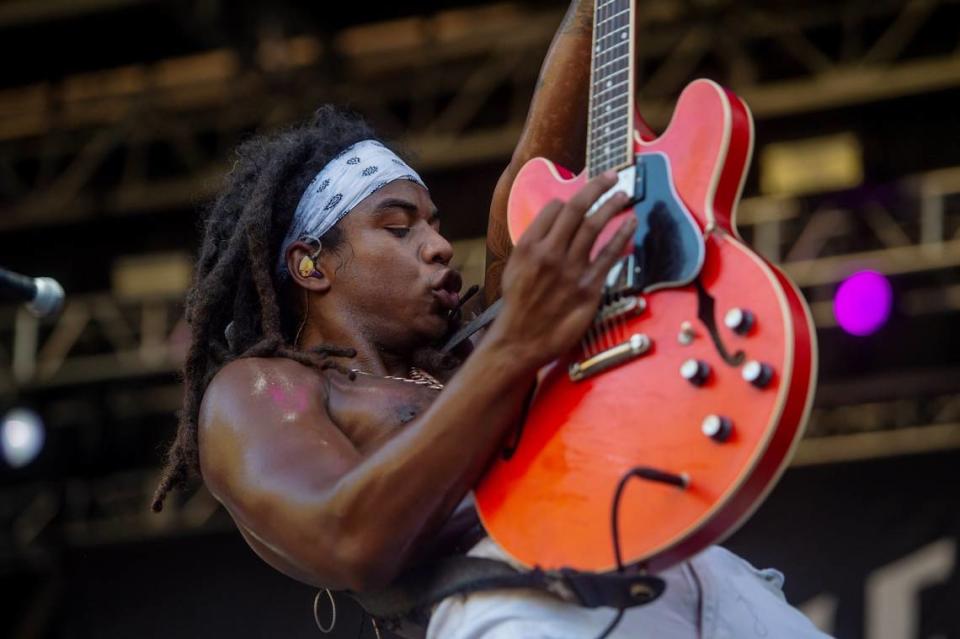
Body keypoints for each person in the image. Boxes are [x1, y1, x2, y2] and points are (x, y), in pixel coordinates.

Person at [151, 1, 830, 637]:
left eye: (435, 223)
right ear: (312, 265)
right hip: (514, 602)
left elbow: (534, 164)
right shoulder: (262, 390)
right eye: (398, 227)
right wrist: (514, 346)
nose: (439, 245)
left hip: (683, 562)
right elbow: (346, 538)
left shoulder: (466, 347)